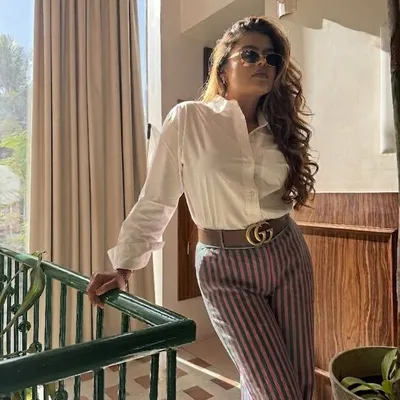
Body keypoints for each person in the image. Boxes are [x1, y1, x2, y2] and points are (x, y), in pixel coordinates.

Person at [87, 16, 318, 400]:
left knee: (300, 382)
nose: (263, 62)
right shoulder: (189, 119)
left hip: (287, 254)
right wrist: (124, 266)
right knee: (277, 390)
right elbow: (157, 198)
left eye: (272, 58)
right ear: (223, 66)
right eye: (251, 54)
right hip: (225, 268)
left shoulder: (280, 128)